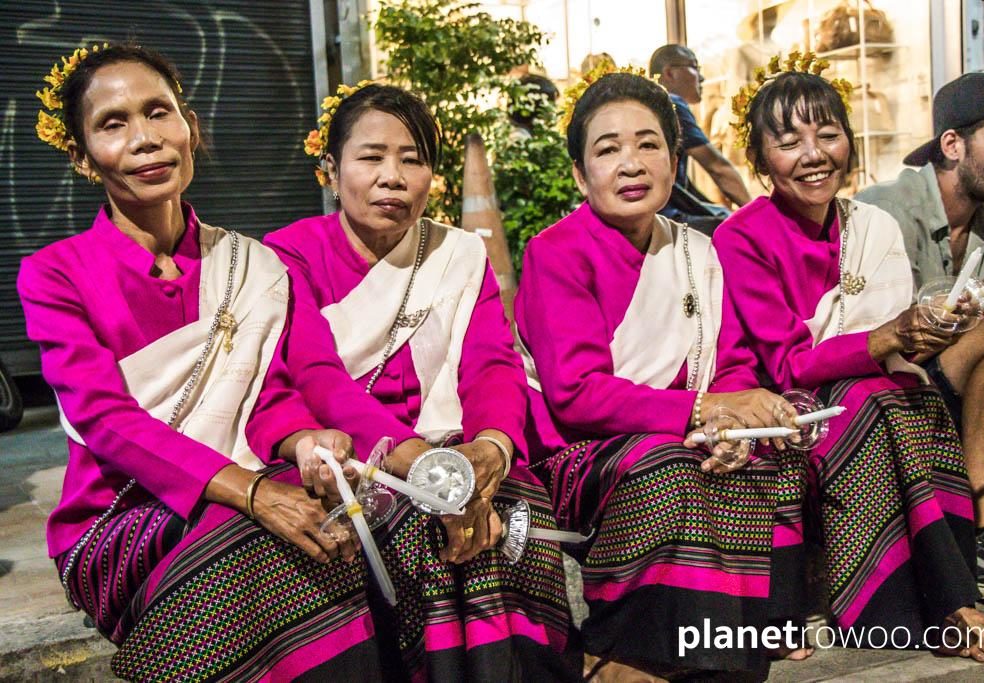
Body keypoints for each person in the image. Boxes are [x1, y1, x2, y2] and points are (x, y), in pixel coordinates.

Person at [20, 43, 387, 680]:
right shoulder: (56, 275)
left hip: (251, 480)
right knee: (262, 542)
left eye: (158, 112)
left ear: (189, 126)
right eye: (114, 124)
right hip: (121, 515)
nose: (144, 139)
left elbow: (268, 399)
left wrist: (304, 443)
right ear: (81, 157)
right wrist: (253, 494)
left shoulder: (251, 266)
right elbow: (105, 420)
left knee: (374, 529)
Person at [713, 53, 984, 660]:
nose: (813, 154)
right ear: (758, 161)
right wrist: (889, 337)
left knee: (906, 395)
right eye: (789, 141)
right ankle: (941, 607)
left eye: (828, 135)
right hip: (785, 396)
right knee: (872, 398)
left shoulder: (870, 226)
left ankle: (951, 600)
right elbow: (787, 364)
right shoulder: (742, 237)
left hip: (868, 382)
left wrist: (917, 335)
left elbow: (896, 343)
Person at [264, 83, 579, 681]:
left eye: (412, 159)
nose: (393, 176)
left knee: (518, 510)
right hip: (359, 457)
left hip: (456, 447)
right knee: (406, 525)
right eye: (371, 157)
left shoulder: (458, 253)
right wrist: (428, 473)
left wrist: (489, 451)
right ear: (330, 170)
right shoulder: (288, 256)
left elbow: (492, 362)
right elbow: (317, 376)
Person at [513, 70, 808, 678]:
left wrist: (730, 427)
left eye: (648, 145)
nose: (631, 164)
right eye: (608, 149)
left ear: (675, 161)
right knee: (669, 471)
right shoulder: (557, 252)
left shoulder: (698, 250)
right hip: (581, 454)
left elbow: (729, 366)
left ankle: (733, 656)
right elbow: (576, 395)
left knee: (775, 455)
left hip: (678, 434)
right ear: (579, 173)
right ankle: (624, 657)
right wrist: (702, 416)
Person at [856, 72, 984, 602]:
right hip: (881, 382)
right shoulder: (883, 211)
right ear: (952, 144)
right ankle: (983, 528)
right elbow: (883, 341)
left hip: (949, 381)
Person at [649, 43, 752, 221]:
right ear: (669, 73)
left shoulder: (650, 103)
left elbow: (682, 187)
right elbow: (718, 167)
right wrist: (756, 214)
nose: (702, 78)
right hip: (666, 217)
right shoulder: (672, 105)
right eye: (695, 67)